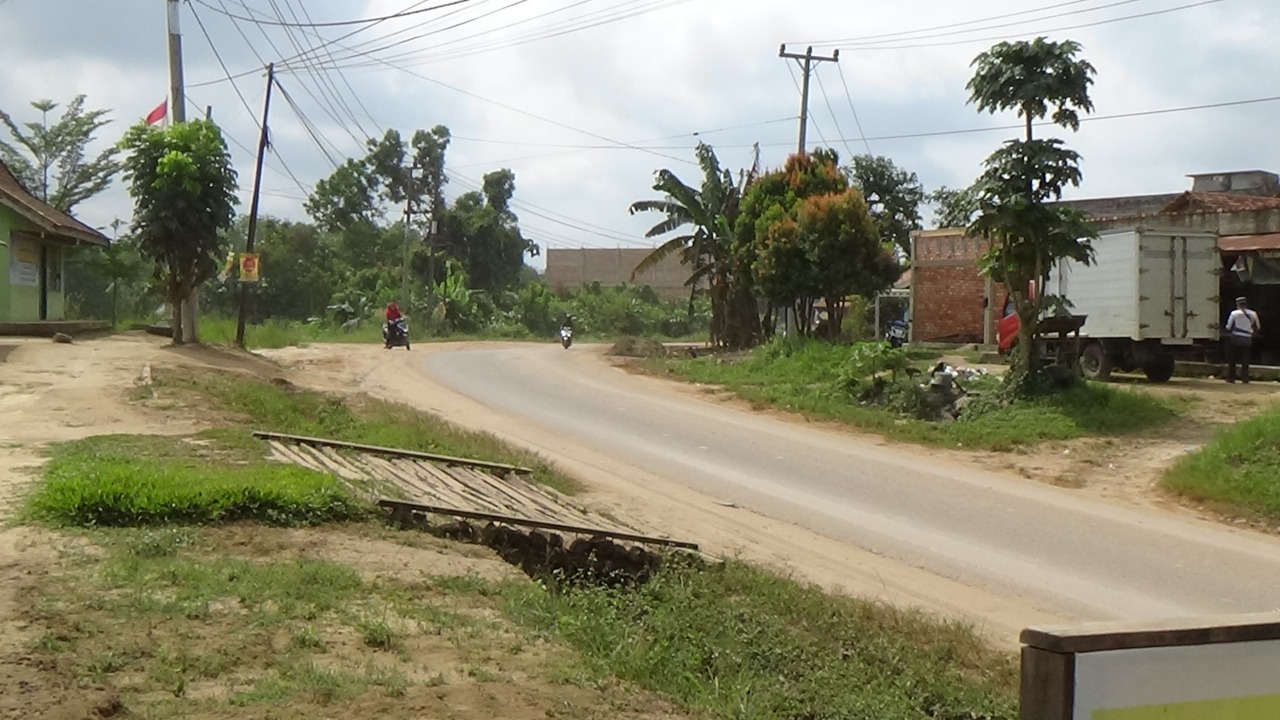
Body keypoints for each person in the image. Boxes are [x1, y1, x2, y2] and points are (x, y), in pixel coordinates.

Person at [1224, 296, 1261, 383]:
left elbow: (1228, 327)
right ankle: (1245, 378)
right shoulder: (1253, 313)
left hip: (1235, 338)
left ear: (1237, 304)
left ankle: (1231, 378)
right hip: (1247, 339)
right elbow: (1258, 327)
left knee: (1232, 359)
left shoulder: (1234, 313)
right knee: (1245, 359)